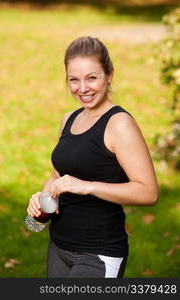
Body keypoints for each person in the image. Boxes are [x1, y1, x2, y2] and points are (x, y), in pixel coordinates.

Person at [27, 36, 159, 278]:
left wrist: (86, 187)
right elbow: (59, 174)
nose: (83, 88)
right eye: (73, 80)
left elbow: (148, 192)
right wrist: (43, 196)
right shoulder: (69, 118)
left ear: (109, 75)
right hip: (59, 246)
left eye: (92, 78)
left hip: (98, 253)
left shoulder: (120, 125)